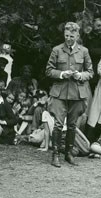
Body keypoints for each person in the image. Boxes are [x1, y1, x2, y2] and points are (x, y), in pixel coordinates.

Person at [45, 22, 93, 167]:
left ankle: (68, 153)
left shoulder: (84, 51)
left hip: (77, 94)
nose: (69, 39)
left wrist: (80, 75)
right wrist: (61, 74)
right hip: (59, 93)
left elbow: (90, 72)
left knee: (72, 125)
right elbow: (48, 70)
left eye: (72, 36)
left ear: (77, 35)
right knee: (58, 125)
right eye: (66, 36)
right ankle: (55, 155)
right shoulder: (57, 50)